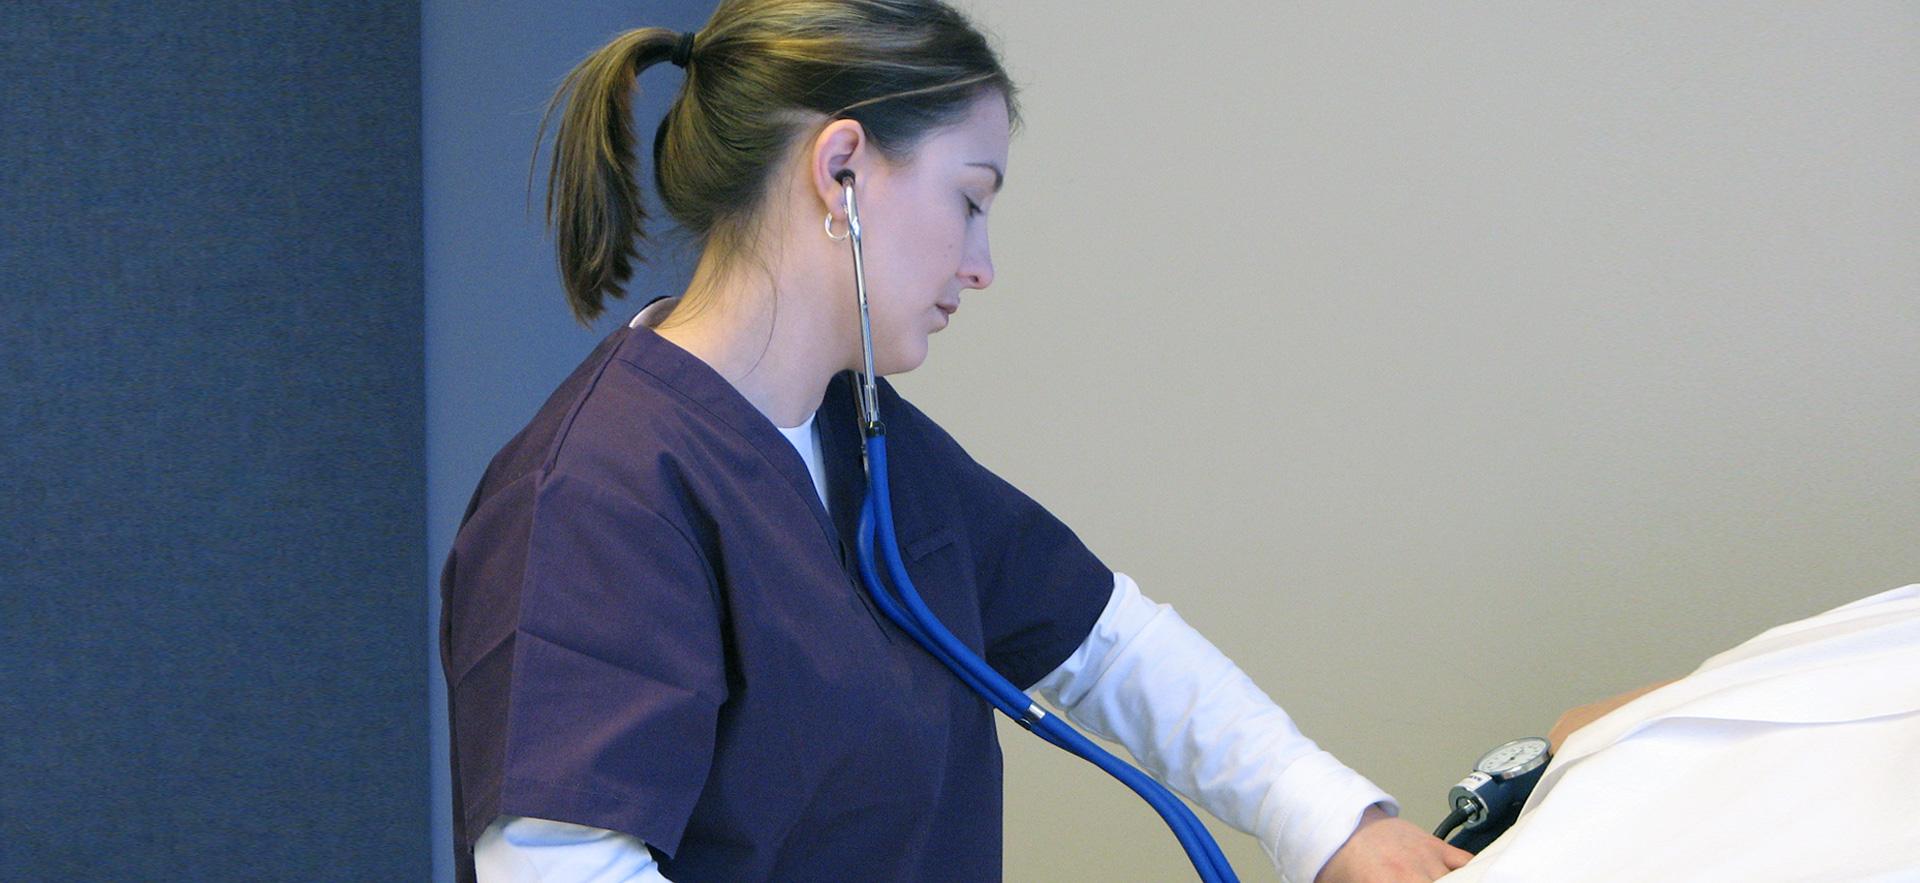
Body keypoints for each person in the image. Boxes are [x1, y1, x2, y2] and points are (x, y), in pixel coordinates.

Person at [438, 1, 1472, 880]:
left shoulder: (861, 440)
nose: (982, 266)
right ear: (840, 167)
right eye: (969, 200)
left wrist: (1331, 822)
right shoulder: (594, 494)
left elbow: (1103, 640)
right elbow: (564, 865)